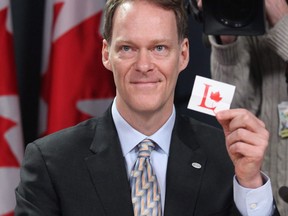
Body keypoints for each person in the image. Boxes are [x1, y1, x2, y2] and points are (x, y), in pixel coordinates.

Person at [15, 0, 279, 215]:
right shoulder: (50, 162)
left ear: (183, 54)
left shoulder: (228, 157)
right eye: (128, 48)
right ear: (106, 54)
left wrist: (250, 184)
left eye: (159, 48)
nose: (144, 65)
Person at [197, 0, 288, 214]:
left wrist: (281, 20)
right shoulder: (253, 10)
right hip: (264, 194)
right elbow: (235, 113)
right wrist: (227, 26)